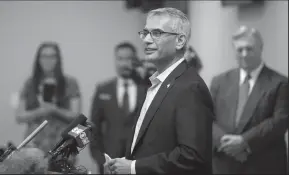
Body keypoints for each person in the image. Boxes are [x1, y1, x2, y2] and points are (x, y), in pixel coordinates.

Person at [104, 8, 214, 174]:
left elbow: (192, 155)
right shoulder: (156, 83)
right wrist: (123, 164)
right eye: (145, 33)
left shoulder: (190, 87)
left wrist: (134, 167)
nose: (147, 40)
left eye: (156, 33)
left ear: (180, 41)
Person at [211, 26, 288, 174]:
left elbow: (280, 121)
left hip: (263, 166)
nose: (244, 54)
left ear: (261, 48)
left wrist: (244, 142)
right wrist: (225, 143)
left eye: (249, 49)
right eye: (239, 50)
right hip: (224, 165)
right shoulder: (219, 82)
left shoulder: (280, 83)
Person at [15, 42, 81, 165]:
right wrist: (41, 111)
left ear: (58, 59)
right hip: (34, 146)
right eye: (44, 56)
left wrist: (54, 109)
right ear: (38, 59)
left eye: (52, 56)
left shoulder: (70, 83)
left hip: (62, 146)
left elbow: (76, 116)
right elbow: (19, 116)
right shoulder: (30, 84)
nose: (48, 60)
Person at [89, 42, 147, 173]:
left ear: (135, 61)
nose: (124, 64)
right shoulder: (103, 89)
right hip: (109, 163)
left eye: (128, 59)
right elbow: (93, 127)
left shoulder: (146, 88)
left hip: (139, 163)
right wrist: (100, 159)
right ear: (115, 60)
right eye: (120, 59)